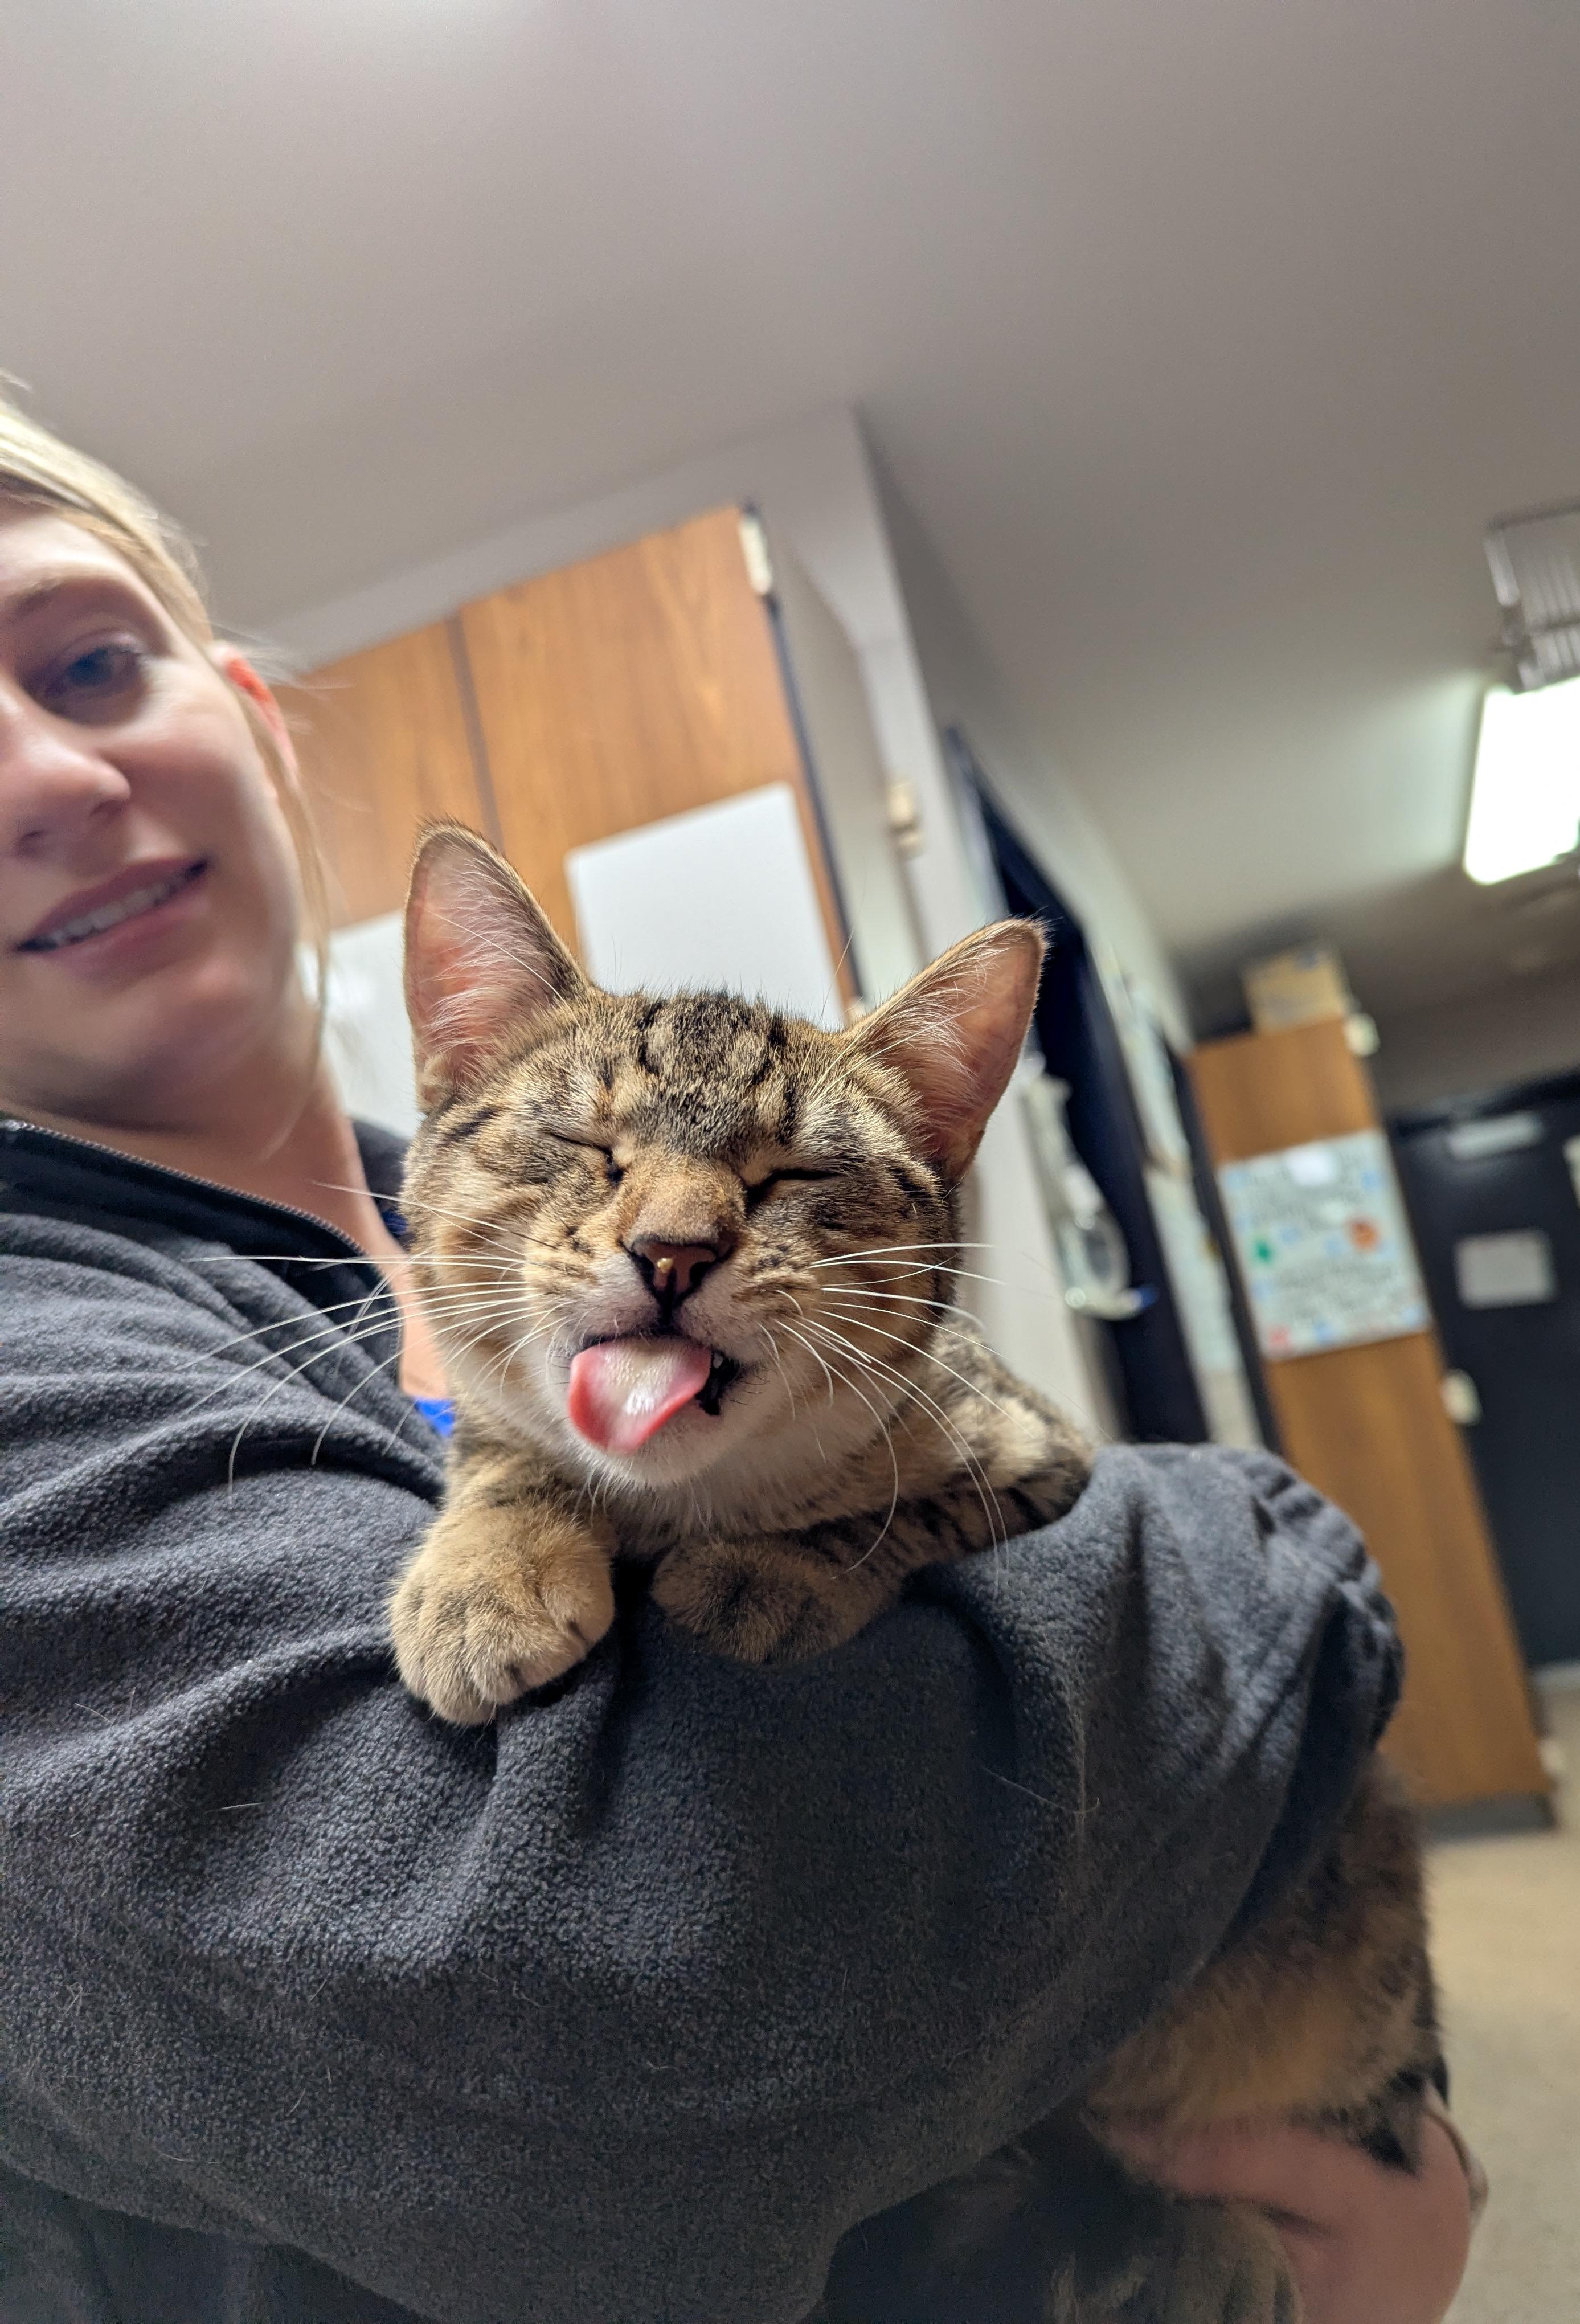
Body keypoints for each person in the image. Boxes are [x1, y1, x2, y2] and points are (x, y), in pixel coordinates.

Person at [0, 399, 1478, 2324]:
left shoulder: (444, 1223)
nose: (675, 1229)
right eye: (588, 1158)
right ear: (464, 1050)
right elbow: (619, 2054)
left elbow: (1022, 1497)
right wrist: (1283, 1558)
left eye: (91, 660)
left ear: (260, 729)